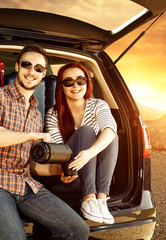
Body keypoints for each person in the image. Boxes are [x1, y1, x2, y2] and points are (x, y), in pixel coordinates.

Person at [0, 45, 90, 240]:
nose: (32, 72)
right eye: (27, 65)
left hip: (26, 185)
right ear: (17, 67)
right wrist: (33, 135)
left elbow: (32, 165)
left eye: (39, 69)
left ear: (43, 75)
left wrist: (58, 172)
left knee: (78, 230)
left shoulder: (35, 113)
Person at [45, 62, 119, 224]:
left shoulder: (98, 105)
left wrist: (88, 153)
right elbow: (59, 152)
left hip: (96, 173)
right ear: (61, 87)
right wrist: (68, 167)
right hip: (70, 173)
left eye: (80, 81)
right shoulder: (53, 114)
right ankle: (88, 198)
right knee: (86, 131)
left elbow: (110, 127)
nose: (75, 86)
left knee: (110, 135)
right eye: (68, 82)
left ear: (87, 83)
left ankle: (101, 199)